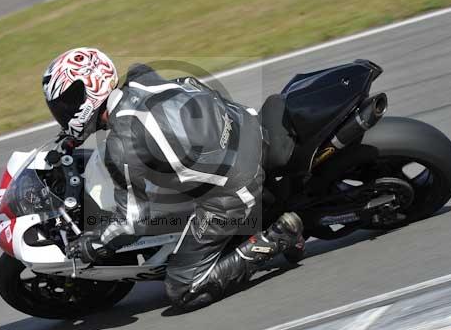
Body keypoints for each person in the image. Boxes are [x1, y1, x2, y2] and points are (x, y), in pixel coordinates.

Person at [42, 47, 304, 311]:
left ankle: (277, 238)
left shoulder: (121, 144)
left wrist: (93, 243)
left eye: (67, 102)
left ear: (91, 89)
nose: (65, 112)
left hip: (237, 186)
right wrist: (74, 138)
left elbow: (135, 221)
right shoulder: (141, 77)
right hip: (245, 123)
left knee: (183, 288)